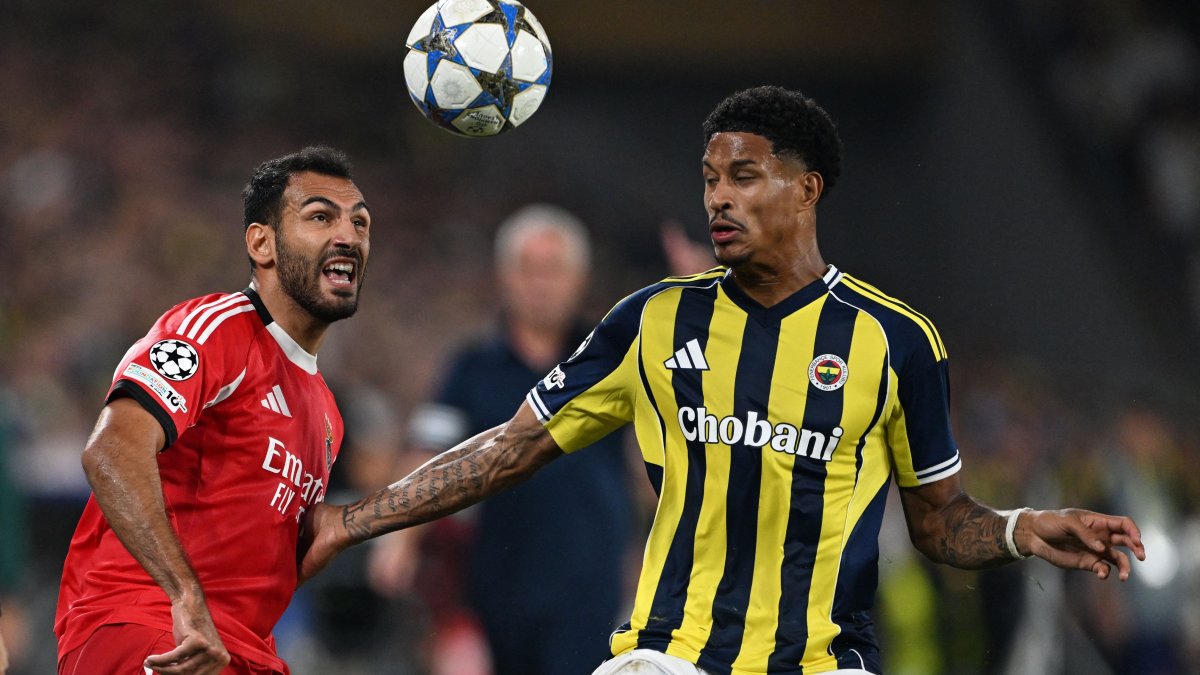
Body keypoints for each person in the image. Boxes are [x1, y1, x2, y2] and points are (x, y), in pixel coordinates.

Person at [300, 86, 1146, 675]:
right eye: (709, 179)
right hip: (667, 653)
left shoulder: (896, 342)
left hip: (821, 659)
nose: (718, 198)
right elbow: (510, 448)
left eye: (744, 177)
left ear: (807, 189)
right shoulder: (654, 319)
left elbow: (939, 520)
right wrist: (358, 519)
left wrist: (1020, 528)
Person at [54, 146, 371, 675]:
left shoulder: (327, 416)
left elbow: (260, 556)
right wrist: (184, 596)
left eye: (360, 223)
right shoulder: (218, 328)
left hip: (244, 650)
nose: (349, 236)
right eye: (321, 217)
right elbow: (111, 448)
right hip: (150, 629)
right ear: (261, 243)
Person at [395, 204, 634, 674]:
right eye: (529, 268)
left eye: (554, 269)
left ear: (579, 278)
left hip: (589, 585)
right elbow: (426, 455)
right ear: (505, 276)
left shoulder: (615, 359)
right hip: (496, 583)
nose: (540, 283)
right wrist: (398, 538)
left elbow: (661, 455)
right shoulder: (471, 369)